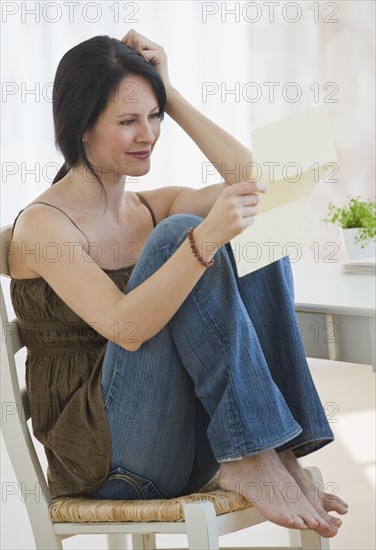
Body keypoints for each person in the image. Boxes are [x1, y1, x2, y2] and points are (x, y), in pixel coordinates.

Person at [9, 30, 348, 538]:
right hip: (108, 465)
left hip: (183, 444)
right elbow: (126, 327)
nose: (147, 134)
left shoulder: (149, 205)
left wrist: (172, 93)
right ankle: (252, 449)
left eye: (154, 116)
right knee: (180, 237)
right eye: (127, 121)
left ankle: (274, 447)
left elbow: (264, 189)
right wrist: (201, 240)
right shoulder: (43, 226)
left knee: (250, 231)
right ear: (81, 128)